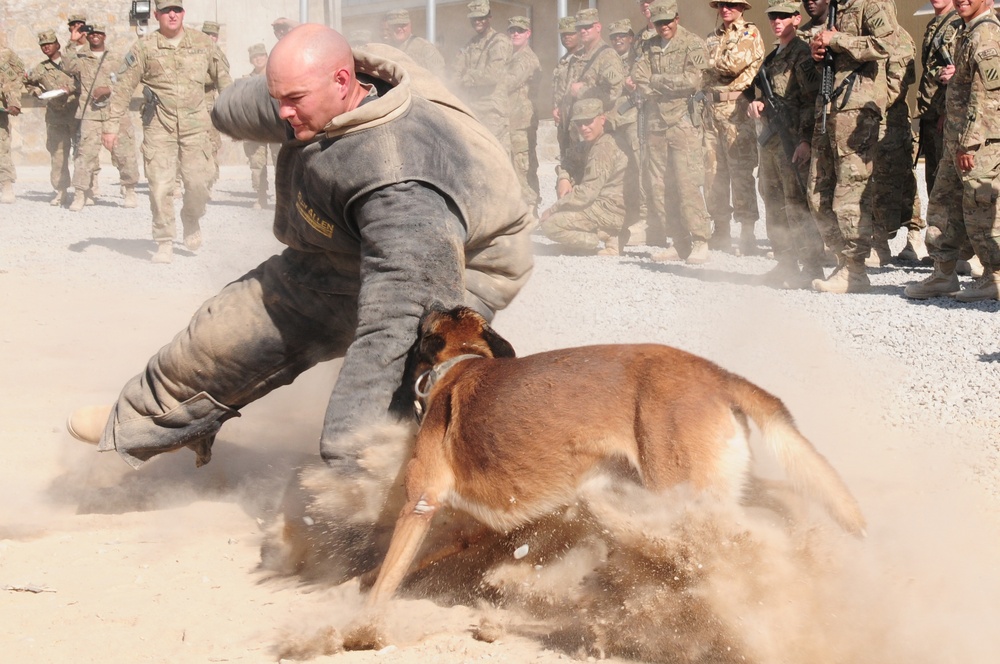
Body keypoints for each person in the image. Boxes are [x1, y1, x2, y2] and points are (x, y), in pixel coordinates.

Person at [66, 25, 534, 474]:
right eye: (279, 100)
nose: (285, 113)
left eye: (294, 101)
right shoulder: (339, 82)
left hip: (459, 263)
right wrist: (227, 108)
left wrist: (348, 452)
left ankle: (397, 497)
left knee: (412, 384)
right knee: (221, 335)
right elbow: (259, 102)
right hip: (341, 252)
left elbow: (399, 319)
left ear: (343, 83)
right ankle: (142, 422)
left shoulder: (400, 182)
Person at [102, 0, 232, 264]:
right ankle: (164, 240)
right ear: (156, 14)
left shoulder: (204, 44)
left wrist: (234, 118)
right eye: (165, 11)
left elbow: (225, 82)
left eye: (177, 10)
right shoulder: (143, 48)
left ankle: (191, 218)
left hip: (197, 126)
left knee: (199, 184)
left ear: (183, 13)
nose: (172, 15)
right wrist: (111, 126)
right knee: (160, 186)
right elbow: (123, 89)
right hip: (159, 126)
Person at [904, 0, 1000, 302]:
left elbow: (987, 98)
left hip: (976, 144)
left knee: (980, 210)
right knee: (943, 204)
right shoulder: (967, 31)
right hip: (957, 140)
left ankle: (994, 276)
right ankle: (943, 273)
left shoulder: (986, 34)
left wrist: (969, 142)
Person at [807, 0, 899, 293]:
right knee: (816, 190)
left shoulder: (869, 4)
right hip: (829, 107)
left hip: (856, 110)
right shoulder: (835, 7)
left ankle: (855, 269)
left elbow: (886, 45)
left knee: (850, 190)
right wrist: (818, 52)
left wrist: (838, 40)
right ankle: (842, 259)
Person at [748, 0, 824, 287]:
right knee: (774, 203)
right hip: (771, 143)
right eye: (772, 17)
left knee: (797, 205)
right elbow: (763, 94)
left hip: (792, 140)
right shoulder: (772, 57)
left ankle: (812, 266)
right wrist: (755, 104)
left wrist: (805, 140)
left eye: (783, 16)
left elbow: (810, 100)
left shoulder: (802, 54)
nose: (777, 21)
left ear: (796, 17)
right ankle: (785, 262)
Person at [632, 0, 713, 263]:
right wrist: (659, 85)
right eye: (658, 22)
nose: (663, 26)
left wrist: (656, 82)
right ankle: (679, 242)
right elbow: (638, 77)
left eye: (668, 21)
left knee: (687, 183)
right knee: (661, 187)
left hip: (683, 123)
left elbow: (693, 81)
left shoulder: (693, 43)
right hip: (656, 123)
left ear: (677, 18)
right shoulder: (649, 45)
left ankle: (701, 240)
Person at [702, 0, 764, 256]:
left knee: (740, 172)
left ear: (741, 7)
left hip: (736, 109)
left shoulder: (749, 33)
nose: (725, 9)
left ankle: (747, 232)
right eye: (721, 5)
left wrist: (707, 65)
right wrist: (709, 67)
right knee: (712, 172)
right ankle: (721, 229)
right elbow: (701, 72)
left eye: (730, 5)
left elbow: (732, 65)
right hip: (711, 110)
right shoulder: (711, 37)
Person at [64, 24, 140, 212]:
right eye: (92, 34)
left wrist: (109, 89)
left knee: (125, 153)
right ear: (88, 37)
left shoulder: (117, 58)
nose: (96, 36)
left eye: (99, 33)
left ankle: (129, 189)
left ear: (104, 36)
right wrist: (72, 42)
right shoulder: (81, 58)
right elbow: (66, 66)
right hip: (91, 114)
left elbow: (129, 83)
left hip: (116, 112)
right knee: (85, 155)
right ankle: (81, 193)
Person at [867, 26, 926, 267]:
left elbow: (898, 84)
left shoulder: (898, 36)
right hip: (863, 120)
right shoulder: (858, 33)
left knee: (891, 181)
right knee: (870, 180)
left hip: (889, 120)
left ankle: (894, 240)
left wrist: (866, 107)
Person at [540, 98, 627, 256]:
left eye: (588, 122)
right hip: (599, 205)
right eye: (579, 124)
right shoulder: (589, 143)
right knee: (568, 181)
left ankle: (600, 237)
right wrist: (564, 178)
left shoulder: (604, 147)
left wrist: (553, 209)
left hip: (610, 211)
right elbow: (567, 161)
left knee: (550, 225)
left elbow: (587, 193)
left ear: (602, 120)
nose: (583, 128)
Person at [25, 30, 79, 207]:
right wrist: (36, 91)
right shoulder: (41, 68)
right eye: (42, 45)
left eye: (49, 44)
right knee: (58, 155)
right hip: (56, 116)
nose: (46, 47)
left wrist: (70, 88)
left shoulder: (71, 61)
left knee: (83, 154)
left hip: (76, 113)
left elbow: (85, 79)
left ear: (58, 45)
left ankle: (84, 190)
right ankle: (61, 191)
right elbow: (27, 82)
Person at [453, 0, 512, 151]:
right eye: (474, 19)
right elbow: (456, 70)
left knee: (496, 155)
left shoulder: (499, 41)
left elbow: (493, 74)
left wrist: (467, 79)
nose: (477, 22)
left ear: (489, 18)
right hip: (473, 109)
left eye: (481, 18)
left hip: (492, 111)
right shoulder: (471, 44)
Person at [506, 16, 541, 210]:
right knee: (511, 163)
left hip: (523, 121)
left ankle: (530, 206)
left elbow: (508, 82)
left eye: (520, 30)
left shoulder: (526, 59)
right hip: (511, 119)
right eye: (512, 30)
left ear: (528, 33)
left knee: (523, 164)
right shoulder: (511, 57)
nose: (515, 34)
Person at [241, 43, 278, 210]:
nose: (259, 59)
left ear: (267, 57)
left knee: (281, 163)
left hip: (276, 125)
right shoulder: (246, 80)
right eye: (255, 57)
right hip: (256, 127)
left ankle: (283, 197)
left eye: (262, 55)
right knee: (257, 164)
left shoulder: (276, 76)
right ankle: (260, 196)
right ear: (251, 60)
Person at [552, 16, 584, 187]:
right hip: (564, 125)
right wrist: (556, 108)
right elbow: (559, 90)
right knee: (566, 162)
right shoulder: (563, 61)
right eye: (563, 34)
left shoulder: (585, 59)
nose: (566, 37)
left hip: (579, 124)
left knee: (581, 164)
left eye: (571, 33)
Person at [201, 21, 230, 194]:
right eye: (207, 34)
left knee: (211, 145)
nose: (210, 38)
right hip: (188, 104)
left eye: (213, 35)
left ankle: (209, 183)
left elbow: (223, 80)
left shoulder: (218, 56)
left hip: (208, 105)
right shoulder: (192, 52)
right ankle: (176, 183)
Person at [383, 8, 445, 77]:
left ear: (410, 24)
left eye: (403, 25)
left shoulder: (424, 48)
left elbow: (439, 79)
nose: (399, 29)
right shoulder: (386, 50)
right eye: (395, 26)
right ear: (389, 27)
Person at [0, 37, 25, 205]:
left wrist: (14, 102)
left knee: (1, 148)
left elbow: (12, 80)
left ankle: (5, 184)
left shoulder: (4, 56)